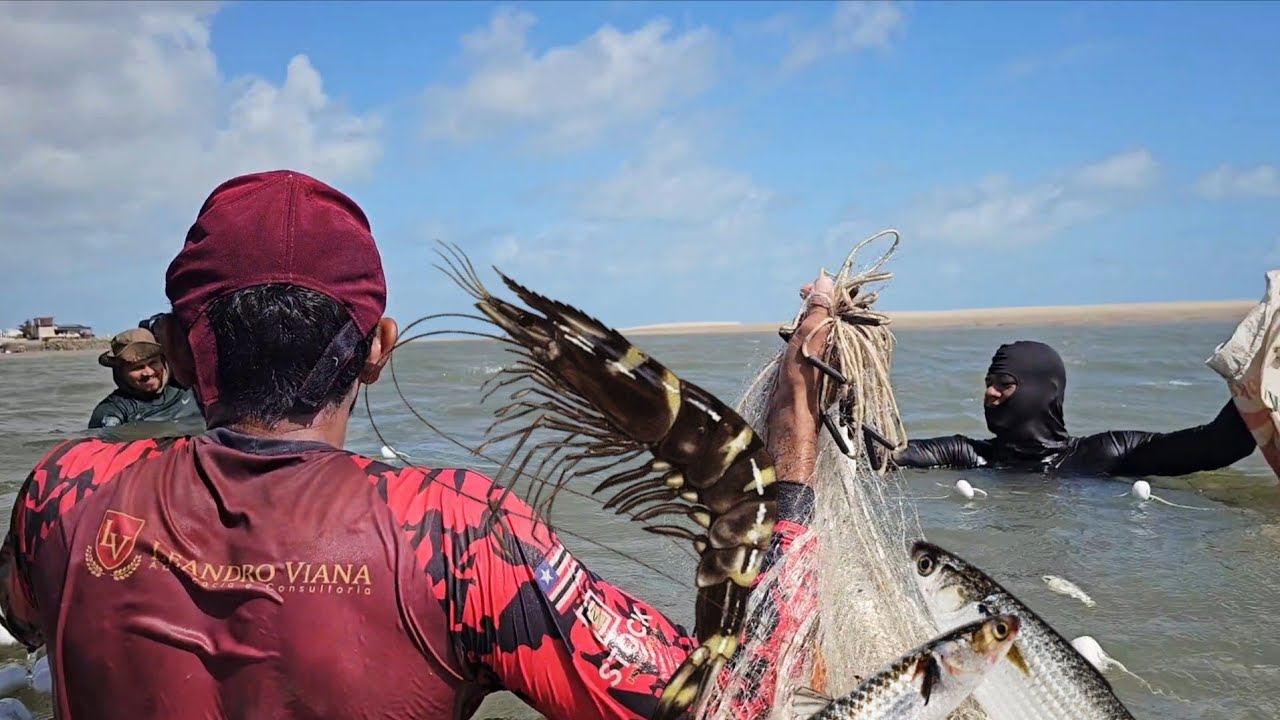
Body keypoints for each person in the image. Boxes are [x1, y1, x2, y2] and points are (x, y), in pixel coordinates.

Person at [0, 170, 833, 719]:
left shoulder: (62, 492)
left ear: (179, 353)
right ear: (377, 350)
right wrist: (788, 472)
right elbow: (723, 703)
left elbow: (23, 624)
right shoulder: (459, 535)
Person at [887, 339, 1258, 476]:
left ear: (1041, 392)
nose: (990, 393)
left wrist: (1261, 372)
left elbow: (1219, 445)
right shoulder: (972, 455)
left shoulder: (1106, 454)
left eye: (1004, 384)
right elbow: (890, 453)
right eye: (989, 383)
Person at [87, 327, 201, 428]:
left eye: (153, 363)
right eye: (137, 367)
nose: (148, 372)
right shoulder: (112, 411)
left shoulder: (194, 393)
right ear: (120, 373)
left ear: (164, 362)